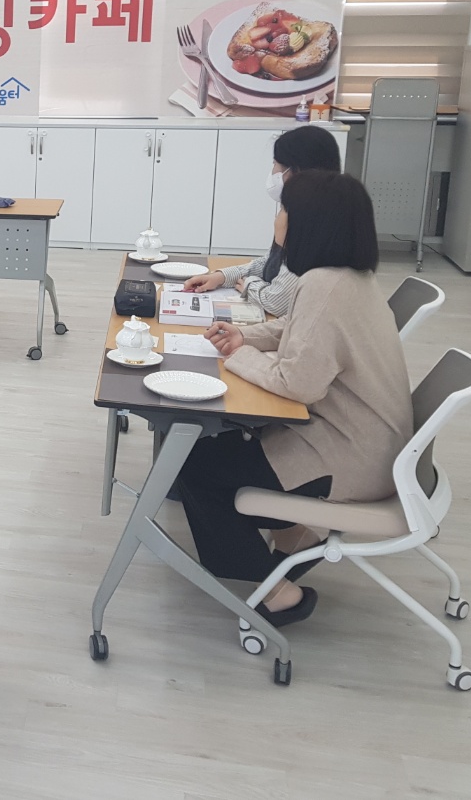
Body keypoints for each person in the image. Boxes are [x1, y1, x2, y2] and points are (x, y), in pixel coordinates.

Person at [175, 171, 412, 627]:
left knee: (195, 467)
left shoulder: (324, 285)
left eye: (284, 209)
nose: (277, 217)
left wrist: (238, 356)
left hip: (348, 458)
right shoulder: (349, 279)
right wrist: (245, 336)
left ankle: (278, 593)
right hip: (371, 445)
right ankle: (291, 539)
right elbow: (296, 329)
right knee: (223, 451)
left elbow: (298, 383)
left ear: (309, 222)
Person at [183, 125, 342, 315]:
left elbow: (277, 301)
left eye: (275, 164)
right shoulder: (306, 208)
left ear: (295, 171)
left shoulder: (316, 224)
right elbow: (270, 264)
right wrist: (221, 277)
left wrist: (249, 285)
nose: (273, 172)